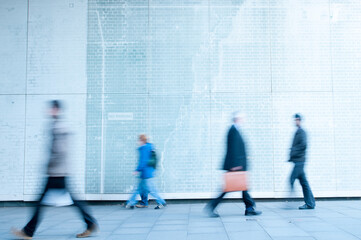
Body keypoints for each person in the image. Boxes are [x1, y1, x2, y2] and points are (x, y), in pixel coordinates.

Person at [12, 100, 98, 239]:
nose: (48, 111)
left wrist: (49, 165)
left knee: (40, 202)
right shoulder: (59, 126)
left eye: (51, 109)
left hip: (56, 172)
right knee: (73, 200)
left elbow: (59, 151)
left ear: (56, 110)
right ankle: (90, 224)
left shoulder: (58, 127)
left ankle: (28, 232)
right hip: (60, 171)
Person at [206, 112, 262, 217]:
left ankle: (249, 208)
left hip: (238, 164)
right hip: (236, 165)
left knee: (243, 187)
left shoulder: (235, 130)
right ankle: (212, 206)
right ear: (237, 119)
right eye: (241, 118)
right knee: (228, 188)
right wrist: (235, 165)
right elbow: (233, 149)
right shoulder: (233, 130)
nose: (243, 120)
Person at [125, 134, 166, 209]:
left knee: (151, 190)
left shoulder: (143, 148)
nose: (138, 142)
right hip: (148, 172)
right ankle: (131, 202)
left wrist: (137, 170)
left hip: (146, 173)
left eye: (139, 140)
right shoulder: (150, 146)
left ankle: (161, 202)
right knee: (138, 189)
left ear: (142, 140)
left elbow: (143, 161)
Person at [288, 113, 316, 210]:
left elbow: (303, 145)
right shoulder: (298, 131)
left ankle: (290, 201)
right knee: (304, 182)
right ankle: (310, 203)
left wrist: (294, 151)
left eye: (297, 120)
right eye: (295, 120)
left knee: (291, 179)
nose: (295, 121)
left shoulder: (301, 132)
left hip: (300, 161)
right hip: (298, 161)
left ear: (299, 120)